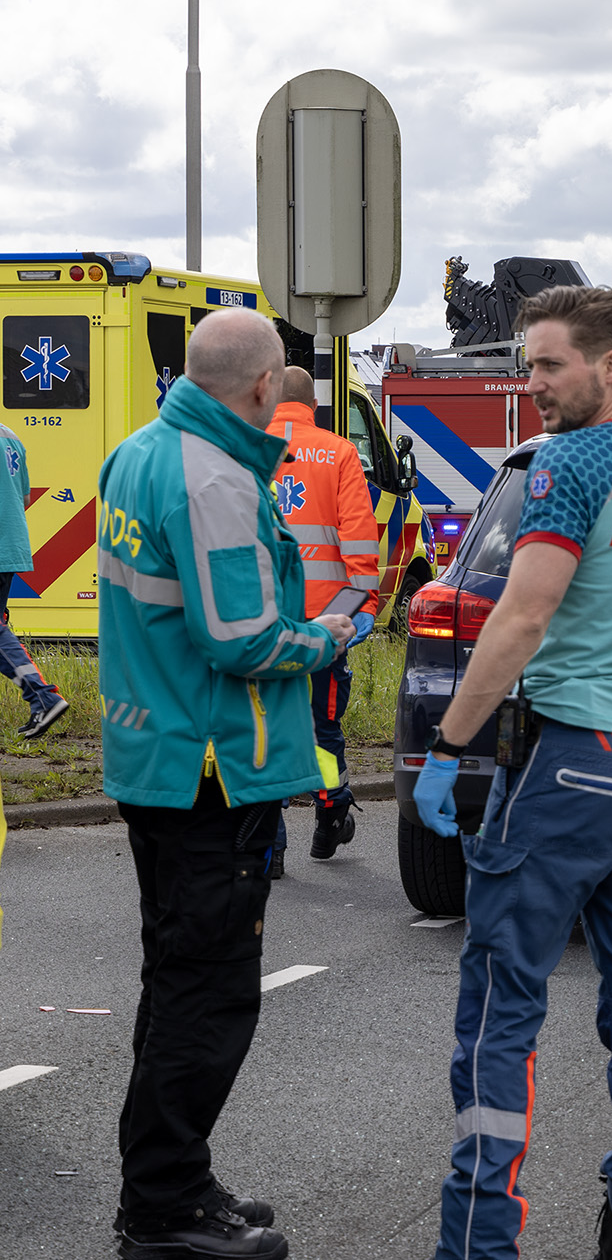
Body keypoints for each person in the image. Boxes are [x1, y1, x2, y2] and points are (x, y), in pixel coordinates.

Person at [411, 285, 612, 1260]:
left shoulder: (571, 466)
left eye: (549, 364)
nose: (533, 383)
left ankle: (478, 1240)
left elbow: (521, 616)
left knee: (501, 999)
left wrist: (448, 747)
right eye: (527, 362)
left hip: (566, 758)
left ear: (610, 365)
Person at [98, 307, 354, 1260]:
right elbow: (241, 638)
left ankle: (172, 1177)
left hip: (156, 756)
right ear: (262, 385)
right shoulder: (214, 479)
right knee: (207, 996)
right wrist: (326, 637)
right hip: (213, 766)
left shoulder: (142, 451)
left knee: (174, 984)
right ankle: (164, 1208)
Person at [265, 367, 381, 877]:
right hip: (326, 621)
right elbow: (359, 541)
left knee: (262, 726)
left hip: (262, 619)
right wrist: (363, 611)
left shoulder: (244, 446)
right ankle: (329, 813)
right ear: (314, 404)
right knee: (320, 724)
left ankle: (270, 847)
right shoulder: (338, 452)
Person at [0, 421, 67, 739]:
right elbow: (23, 498)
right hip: (9, 546)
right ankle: (42, 697)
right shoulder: (10, 435)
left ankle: (43, 696)